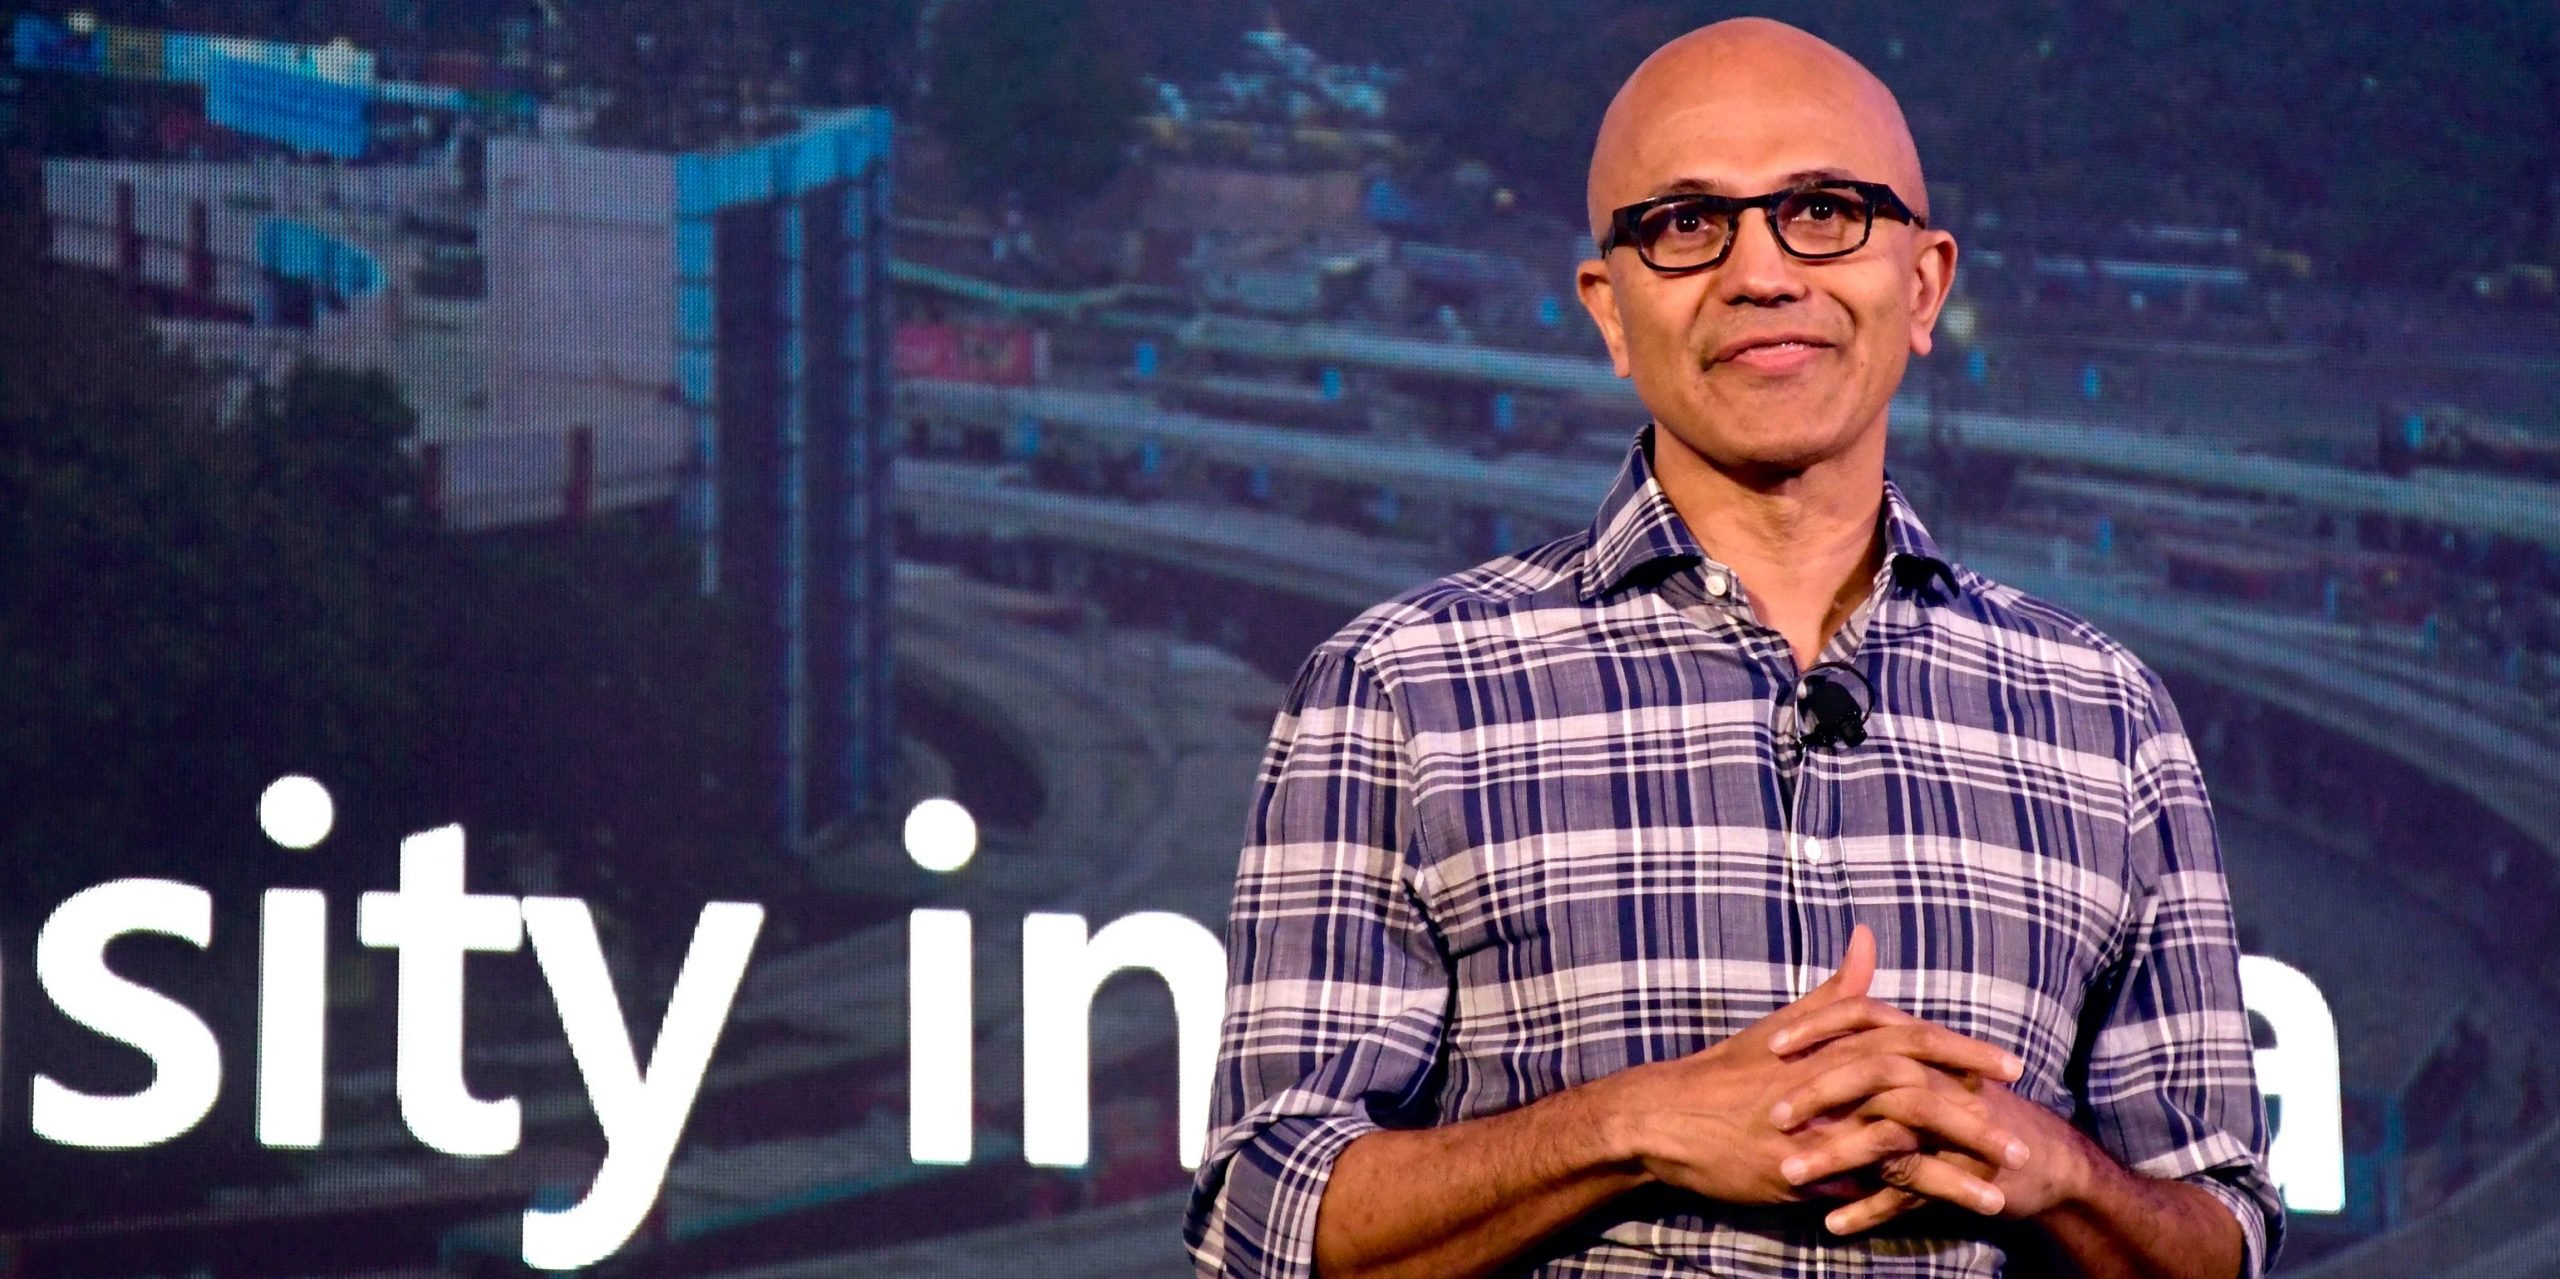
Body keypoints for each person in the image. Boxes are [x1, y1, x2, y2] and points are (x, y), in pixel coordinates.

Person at [1184, 17, 2280, 1279]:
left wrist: (2058, 1174)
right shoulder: (1401, 689)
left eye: (1823, 209)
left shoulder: (2104, 714)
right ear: (1609, 309)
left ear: (1921, 285)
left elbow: (2221, 1237)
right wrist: (1627, 1128)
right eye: (1686, 224)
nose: (1761, 272)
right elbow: (1260, 1222)